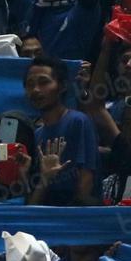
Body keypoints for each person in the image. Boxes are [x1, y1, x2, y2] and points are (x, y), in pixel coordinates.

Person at [25, 56, 99, 205]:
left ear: (63, 86)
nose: (36, 90)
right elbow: (32, 206)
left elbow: (86, 182)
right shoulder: (37, 134)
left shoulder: (78, 122)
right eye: (30, 84)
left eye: (44, 82)